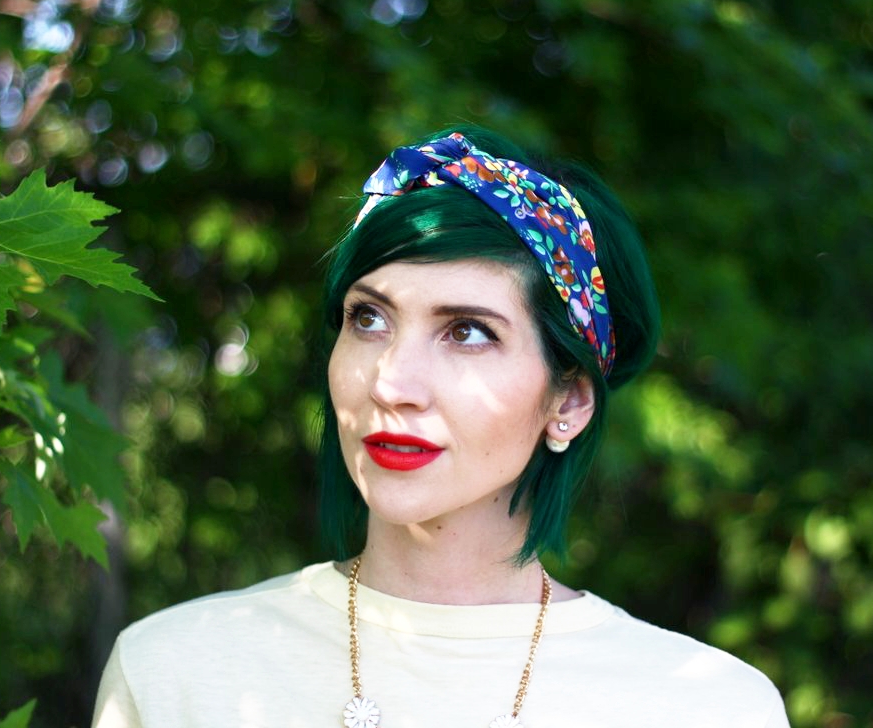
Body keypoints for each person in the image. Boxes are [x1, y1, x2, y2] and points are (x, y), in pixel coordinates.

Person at [92, 128, 790, 728]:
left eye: (468, 333)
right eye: (368, 318)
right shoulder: (173, 671)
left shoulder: (707, 708)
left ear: (569, 402)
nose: (392, 382)